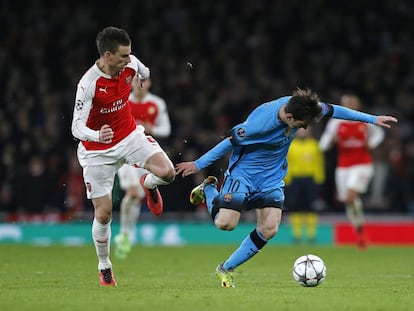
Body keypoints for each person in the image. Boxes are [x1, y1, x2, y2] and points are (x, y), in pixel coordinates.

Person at [175, 88, 397, 288]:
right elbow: (228, 142)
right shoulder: (259, 125)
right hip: (244, 174)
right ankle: (209, 189)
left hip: (271, 178)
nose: (304, 128)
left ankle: (225, 268)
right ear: (289, 118)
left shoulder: (302, 106)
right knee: (225, 224)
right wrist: (198, 164)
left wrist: (372, 119)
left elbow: (334, 110)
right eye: (301, 125)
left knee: (269, 228)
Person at [71, 26, 175, 286]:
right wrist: (97, 136)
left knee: (168, 173)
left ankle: (148, 184)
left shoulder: (130, 65)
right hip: (98, 152)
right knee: (104, 213)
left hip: (129, 137)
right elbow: (76, 127)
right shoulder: (88, 84)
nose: (129, 60)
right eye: (123, 56)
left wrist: (142, 76)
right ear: (108, 56)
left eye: (130, 55)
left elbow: (144, 69)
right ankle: (104, 266)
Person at [114, 77, 171, 259]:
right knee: (132, 193)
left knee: (138, 195)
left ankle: (126, 236)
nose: (140, 84)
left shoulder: (157, 103)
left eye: (143, 81)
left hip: (147, 153)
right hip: (126, 154)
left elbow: (166, 130)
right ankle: (124, 235)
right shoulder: (124, 102)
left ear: (149, 83)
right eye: (136, 81)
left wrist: (150, 128)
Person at [318, 94, 385, 250]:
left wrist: (372, 143)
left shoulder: (364, 120)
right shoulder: (336, 123)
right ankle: (359, 230)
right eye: (345, 103)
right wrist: (329, 141)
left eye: (350, 102)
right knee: (348, 201)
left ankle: (360, 230)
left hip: (362, 165)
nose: (347, 105)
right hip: (343, 167)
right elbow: (323, 144)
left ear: (357, 105)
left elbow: (379, 134)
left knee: (350, 196)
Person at [284, 126, 325, 244]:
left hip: (310, 179)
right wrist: (287, 178)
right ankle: (297, 235)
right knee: (294, 206)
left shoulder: (314, 145)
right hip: (294, 179)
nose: (302, 132)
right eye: (300, 130)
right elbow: (286, 162)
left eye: (305, 130)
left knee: (311, 207)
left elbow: (319, 162)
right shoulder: (291, 146)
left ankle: (311, 235)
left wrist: (319, 178)